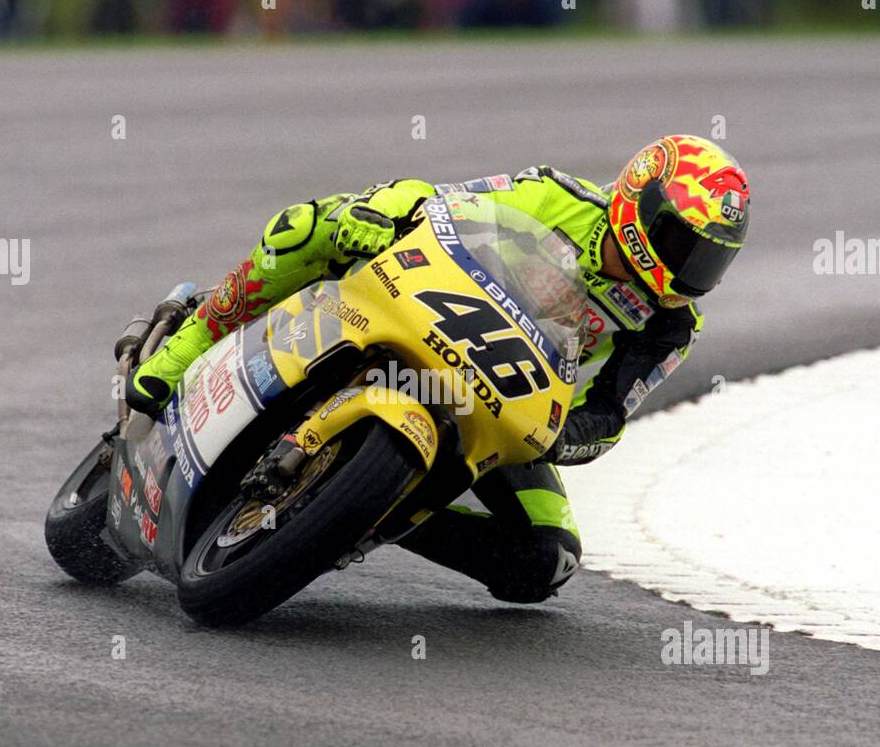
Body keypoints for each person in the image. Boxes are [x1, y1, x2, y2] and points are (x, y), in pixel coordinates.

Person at [126, 136, 750, 603]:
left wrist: (571, 434)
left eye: (711, 263)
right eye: (684, 245)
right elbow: (448, 209)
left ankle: (360, 508)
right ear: (639, 202)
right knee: (312, 227)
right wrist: (386, 216)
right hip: (420, 309)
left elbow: (612, 412)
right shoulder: (555, 196)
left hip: (502, 401)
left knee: (545, 559)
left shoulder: (672, 326)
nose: (693, 274)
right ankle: (187, 343)